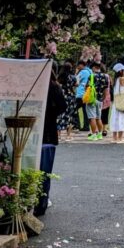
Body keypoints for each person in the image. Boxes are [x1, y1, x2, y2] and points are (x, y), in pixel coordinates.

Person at [36, 64, 67, 217]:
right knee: (44, 171)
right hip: (48, 134)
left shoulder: (32, 84)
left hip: (31, 133)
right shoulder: (53, 86)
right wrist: (51, 114)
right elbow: (63, 106)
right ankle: (41, 203)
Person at [85, 61, 106, 141]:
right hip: (100, 99)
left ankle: (94, 135)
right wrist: (103, 98)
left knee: (92, 117)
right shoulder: (105, 76)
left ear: (93, 67)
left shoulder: (91, 76)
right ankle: (100, 134)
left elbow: (87, 87)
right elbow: (105, 89)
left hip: (92, 99)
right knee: (98, 117)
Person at [56, 61, 77, 141]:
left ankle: (58, 135)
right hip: (70, 97)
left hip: (62, 97)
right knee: (70, 116)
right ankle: (68, 135)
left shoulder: (59, 77)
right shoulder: (72, 77)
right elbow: (76, 84)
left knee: (60, 115)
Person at [74, 59, 92, 133]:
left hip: (80, 94)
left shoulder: (83, 72)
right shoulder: (90, 71)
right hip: (86, 94)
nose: (78, 66)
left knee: (74, 109)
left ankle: (77, 124)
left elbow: (76, 81)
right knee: (85, 111)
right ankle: (86, 126)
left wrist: (76, 73)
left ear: (82, 65)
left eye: (78, 65)